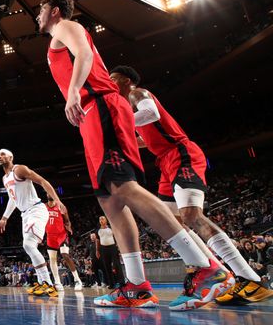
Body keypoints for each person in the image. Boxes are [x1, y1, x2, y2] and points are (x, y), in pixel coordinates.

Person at [37, 0, 232, 310]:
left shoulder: (65, 27)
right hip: (92, 114)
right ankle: (138, 286)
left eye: (41, 9)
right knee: (109, 201)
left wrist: (73, 93)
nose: (38, 16)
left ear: (54, 11)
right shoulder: (55, 40)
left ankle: (206, 267)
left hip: (100, 105)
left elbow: (84, 53)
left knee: (123, 187)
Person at [110, 65, 272, 305]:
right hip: (165, 160)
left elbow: (151, 113)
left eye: (113, 78)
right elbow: (149, 138)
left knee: (191, 215)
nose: (110, 83)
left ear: (125, 80)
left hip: (181, 153)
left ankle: (250, 279)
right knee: (171, 222)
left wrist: (120, 126)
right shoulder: (128, 107)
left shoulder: (137, 93)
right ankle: (215, 271)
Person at [0, 149, 64, 298]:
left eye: (3, 154)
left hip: (36, 210)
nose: (0, 156)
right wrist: (4, 218)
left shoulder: (19, 169)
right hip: (25, 214)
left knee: (28, 245)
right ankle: (42, 282)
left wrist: (57, 200)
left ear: (11, 157)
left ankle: (48, 284)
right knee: (29, 246)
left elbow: (43, 181)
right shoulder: (5, 178)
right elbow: (13, 199)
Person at [45, 197, 83, 291]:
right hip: (50, 236)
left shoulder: (60, 206)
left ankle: (77, 280)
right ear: (46, 195)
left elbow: (67, 220)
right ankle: (57, 282)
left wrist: (69, 227)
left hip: (61, 235)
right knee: (52, 259)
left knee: (65, 255)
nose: (49, 193)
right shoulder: (43, 207)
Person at [96, 216, 124, 288]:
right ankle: (111, 283)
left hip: (112, 247)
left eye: (102, 219)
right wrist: (97, 250)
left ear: (106, 220)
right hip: (103, 249)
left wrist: (119, 246)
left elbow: (117, 237)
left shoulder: (111, 228)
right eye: (100, 219)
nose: (101, 220)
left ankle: (121, 282)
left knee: (117, 264)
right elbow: (97, 241)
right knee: (107, 266)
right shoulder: (98, 230)